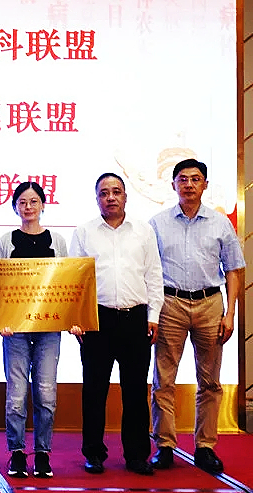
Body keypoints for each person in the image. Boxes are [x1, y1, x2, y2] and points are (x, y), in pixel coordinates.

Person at [149, 159, 244, 474]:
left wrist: (231, 313)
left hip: (210, 304)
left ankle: (205, 446)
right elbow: (148, 271)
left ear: (205, 185)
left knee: (210, 381)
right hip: (170, 304)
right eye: (183, 179)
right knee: (163, 379)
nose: (188, 184)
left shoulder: (220, 223)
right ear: (173, 184)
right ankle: (165, 445)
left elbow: (233, 270)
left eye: (195, 179)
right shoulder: (157, 223)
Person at [70, 172, 163, 476]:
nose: (110, 197)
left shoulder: (143, 231)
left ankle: (136, 455)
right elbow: (75, 280)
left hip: (136, 319)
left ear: (125, 196)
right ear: (97, 198)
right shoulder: (84, 232)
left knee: (135, 390)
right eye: (104, 193)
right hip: (97, 319)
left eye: (116, 191)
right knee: (94, 390)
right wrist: (78, 319)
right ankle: (93, 453)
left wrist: (153, 315)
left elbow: (154, 275)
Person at [0, 181, 67, 479]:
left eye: (33, 201)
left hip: (49, 327)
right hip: (16, 330)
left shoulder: (57, 240)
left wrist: (70, 318)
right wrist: (0, 320)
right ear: (15, 207)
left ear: (43, 205)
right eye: (22, 202)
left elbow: (67, 283)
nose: (28, 207)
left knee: (46, 393)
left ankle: (42, 454)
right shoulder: (6, 241)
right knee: (16, 394)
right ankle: (16, 453)